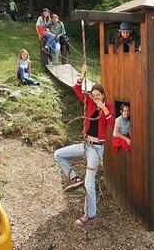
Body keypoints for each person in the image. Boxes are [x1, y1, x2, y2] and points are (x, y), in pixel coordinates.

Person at [53, 64, 115, 226]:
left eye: (98, 95)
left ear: (103, 95)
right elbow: (77, 89)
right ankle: (74, 177)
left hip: (96, 149)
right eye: (94, 95)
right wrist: (82, 75)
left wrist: (104, 109)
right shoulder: (90, 103)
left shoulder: (107, 107)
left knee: (89, 183)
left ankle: (90, 214)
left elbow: (112, 124)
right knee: (58, 154)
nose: (96, 97)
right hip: (85, 144)